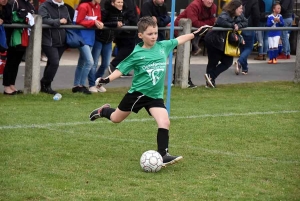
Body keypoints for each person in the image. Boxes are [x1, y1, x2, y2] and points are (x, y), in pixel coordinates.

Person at [89, 16, 207, 167]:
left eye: (156, 33)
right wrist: (107, 80)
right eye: (150, 34)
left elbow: (179, 40)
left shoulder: (162, 46)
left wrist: (195, 34)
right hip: (137, 95)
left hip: (155, 96)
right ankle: (103, 111)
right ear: (141, 35)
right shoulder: (137, 54)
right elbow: (121, 69)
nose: (154, 37)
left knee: (164, 121)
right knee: (115, 118)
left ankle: (163, 154)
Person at [173, 0, 217, 88]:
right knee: (183, 55)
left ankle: (183, 80)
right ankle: (180, 80)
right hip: (181, 31)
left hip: (195, 32)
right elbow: (194, 22)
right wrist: (205, 25)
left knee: (186, 55)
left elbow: (212, 21)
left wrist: (203, 25)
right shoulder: (194, 5)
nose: (210, 1)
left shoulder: (213, 7)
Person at [204, 0, 248, 88]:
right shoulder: (225, 14)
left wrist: (238, 26)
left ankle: (211, 77)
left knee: (228, 62)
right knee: (213, 62)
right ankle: (210, 83)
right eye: (240, 8)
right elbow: (221, 21)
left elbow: (246, 22)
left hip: (225, 43)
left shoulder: (240, 16)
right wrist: (233, 25)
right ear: (234, 8)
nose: (241, 10)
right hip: (214, 41)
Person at [88, 0, 124, 93]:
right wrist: (115, 24)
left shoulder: (121, 13)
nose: (120, 4)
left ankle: (98, 82)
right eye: (118, 2)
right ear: (113, 3)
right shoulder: (105, 11)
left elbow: (121, 23)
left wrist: (120, 24)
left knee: (106, 64)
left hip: (109, 40)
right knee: (94, 63)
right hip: (99, 39)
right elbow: (102, 23)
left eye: (122, 2)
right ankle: (91, 84)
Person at [38, 0, 71, 94]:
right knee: (54, 62)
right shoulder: (44, 6)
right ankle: (45, 83)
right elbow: (42, 19)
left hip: (61, 40)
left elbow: (69, 20)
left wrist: (66, 21)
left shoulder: (64, 7)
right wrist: (58, 21)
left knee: (51, 63)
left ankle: (46, 86)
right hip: (48, 40)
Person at [2, 0, 35, 95]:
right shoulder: (14, 3)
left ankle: (12, 84)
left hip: (24, 36)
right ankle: (6, 86)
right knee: (10, 61)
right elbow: (10, 17)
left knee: (16, 62)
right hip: (14, 36)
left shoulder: (29, 4)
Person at [72, 0, 103, 94]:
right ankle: (80, 85)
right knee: (90, 62)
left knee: (82, 62)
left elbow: (98, 19)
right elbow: (78, 21)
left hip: (90, 38)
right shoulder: (83, 6)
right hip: (81, 37)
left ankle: (76, 86)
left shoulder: (97, 6)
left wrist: (98, 23)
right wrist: (94, 22)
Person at [108, 0, 138, 77]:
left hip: (125, 29)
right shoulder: (128, 2)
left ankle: (122, 69)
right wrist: (133, 21)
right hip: (126, 30)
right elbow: (129, 13)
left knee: (124, 49)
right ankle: (113, 65)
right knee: (127, 49)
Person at [234, 0, 260, 75]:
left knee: (242, 47)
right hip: (249, 26)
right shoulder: (253, 2)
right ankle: (239, 62)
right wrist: (256, 26)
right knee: (249, 47)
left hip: (238, 26)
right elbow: (256, 15)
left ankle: (245, 68)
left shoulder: (239, 1)